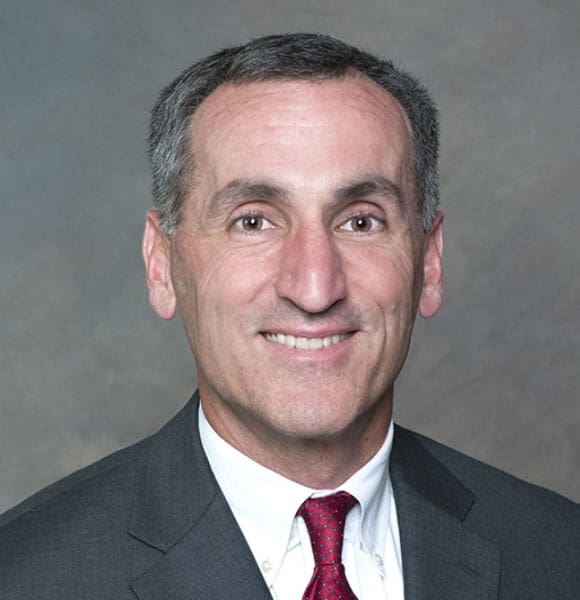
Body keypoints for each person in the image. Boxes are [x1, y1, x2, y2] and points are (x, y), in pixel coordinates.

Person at [0, 33, 578, 600]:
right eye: (253, 221)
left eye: (361, 221)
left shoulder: (560, 555)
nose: (314, 288)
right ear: (162, 266)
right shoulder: (26, 576)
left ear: (428, 262)